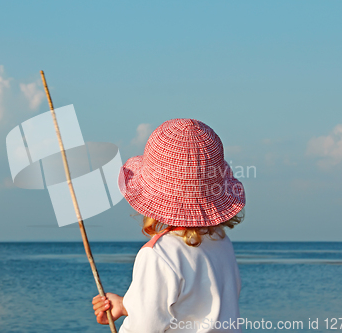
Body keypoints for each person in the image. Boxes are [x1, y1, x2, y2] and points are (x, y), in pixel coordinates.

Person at [92, 118, 245, 332]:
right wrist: (125, 305)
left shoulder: (158, 255)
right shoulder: (220, 242)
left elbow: (145, 327)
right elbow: (193, 308)